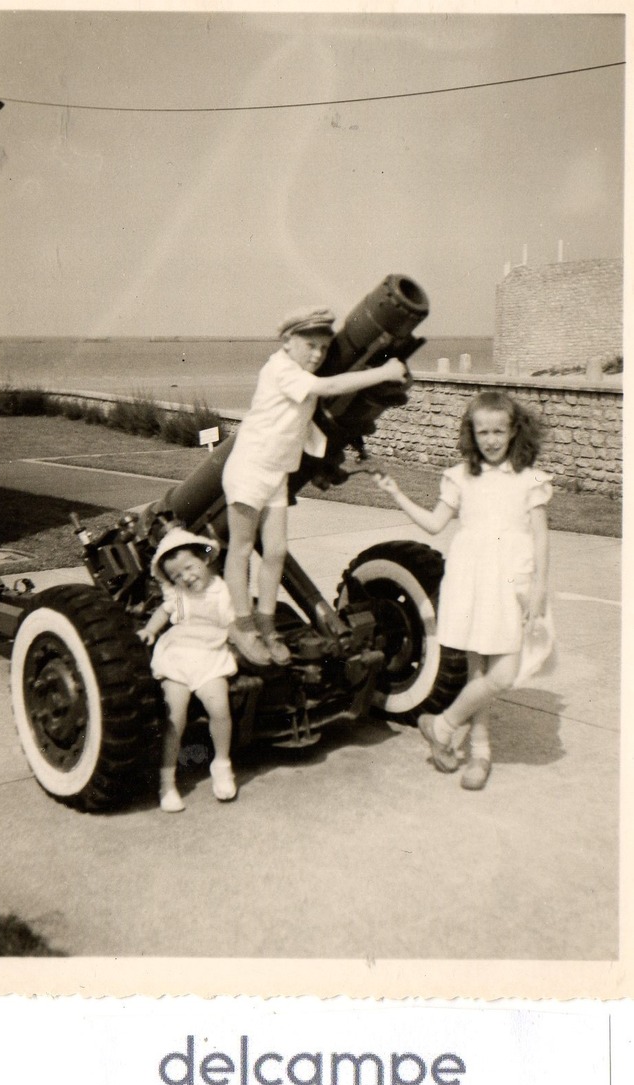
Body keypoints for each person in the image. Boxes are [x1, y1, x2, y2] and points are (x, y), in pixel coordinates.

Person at [375, 389, 552, 790]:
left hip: (513, 583)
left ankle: (443, 724)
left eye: (499, 431)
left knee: (505, 673)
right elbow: (436, 524)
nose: (491, 440)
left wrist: (541, 586)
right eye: (483, 431)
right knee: (477, 671)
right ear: (471, 434)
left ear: (513, 432)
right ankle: (479, 754)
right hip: (473, 583)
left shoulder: (530, 479)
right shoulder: (459, 477)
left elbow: (541, 538)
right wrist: (397, 493)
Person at [222, 305, 408, 666]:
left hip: (276, 474)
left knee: (275, 551)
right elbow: (330, 386)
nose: (319, 354)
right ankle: (241, 625)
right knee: (242, 549)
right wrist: (384, 372)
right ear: (288, 342)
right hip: (248, 471)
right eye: (311, 345)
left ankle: (266, 623)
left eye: (324, 347)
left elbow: (305, 423)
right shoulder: (280, 369)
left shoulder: (296, 371)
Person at [137, 527, 238, 813]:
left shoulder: (221, 591)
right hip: (179, 655)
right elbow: (165, 612)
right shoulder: (180, 595)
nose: (186, 577)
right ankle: (167, 781)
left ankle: (221, 764)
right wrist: (150, 630)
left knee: (219, 709)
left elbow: (233, 623)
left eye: (190, 568)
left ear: (204, 560)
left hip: (210, 656)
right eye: (178, 575)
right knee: (175, 717)